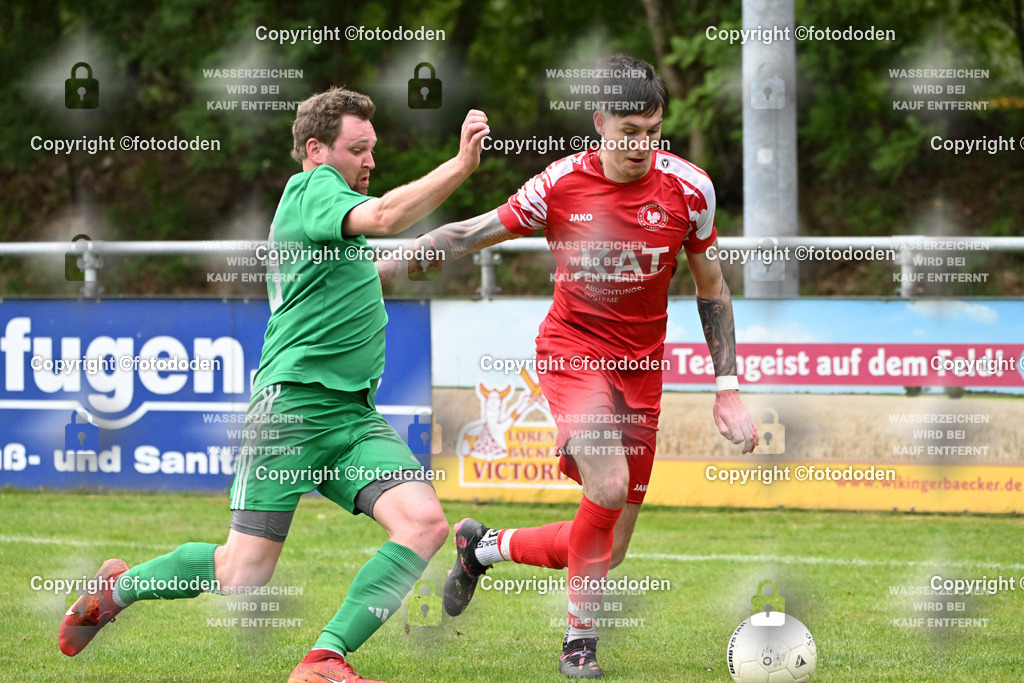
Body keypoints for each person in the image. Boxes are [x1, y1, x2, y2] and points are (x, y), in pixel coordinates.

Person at [58, 87, 490, 683]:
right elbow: (390, 216)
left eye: (372, 150)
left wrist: (493, 227)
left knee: (424, 525)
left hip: (352, 416)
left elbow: (394, 259)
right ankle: (117, 589)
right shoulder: (313, 190)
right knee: (243, 573)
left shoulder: (335, 224)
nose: (370, 161)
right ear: (315, 150)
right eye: (357, 149)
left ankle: (323, 660)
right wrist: (461, 166)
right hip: (293, 410)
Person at [376, 54, 758, 679]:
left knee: (610, 546)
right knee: (605, 489)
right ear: (600, 121)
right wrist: (392, 263)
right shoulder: (560, 184)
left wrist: (728, 389)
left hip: (641, 373)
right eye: (629, 132)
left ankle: (484, 547)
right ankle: (580, 643)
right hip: (573, 352)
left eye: (654, 132)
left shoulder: (691, 190)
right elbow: (473, 233)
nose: (642, 147)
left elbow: (711, 287)